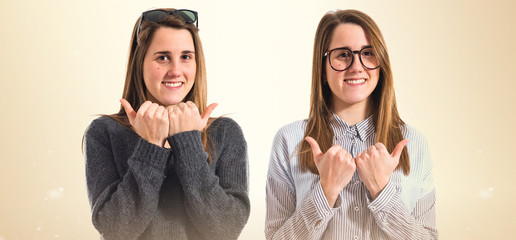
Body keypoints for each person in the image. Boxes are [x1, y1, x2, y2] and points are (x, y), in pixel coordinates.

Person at [265, 9, 437, 239]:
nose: (357, 66)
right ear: (323, 68)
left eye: (368, 53)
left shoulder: (414, 143)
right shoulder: (289, 140)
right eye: (343, 55)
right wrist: (326, 192)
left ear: (382, 64)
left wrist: (382, 190)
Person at [83, 8, 250, 240]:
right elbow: (115, 230)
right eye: (162, 57)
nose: (175, 71)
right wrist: (150, 145)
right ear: (139, 62)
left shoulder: (225, 133)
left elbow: (225, 229)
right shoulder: (104, 132)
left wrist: (188, 142)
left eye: (186, 57)